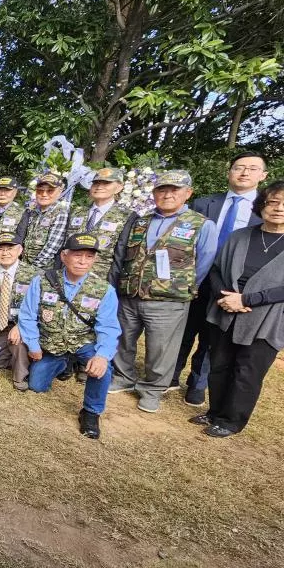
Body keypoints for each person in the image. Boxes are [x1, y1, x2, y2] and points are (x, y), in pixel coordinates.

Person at [111, 170, 217, 413]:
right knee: (123, 339)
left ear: (188, 193)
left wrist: (180, 288)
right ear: (154, 192)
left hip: (168, 301)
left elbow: (204, 262)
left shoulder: (201, 224)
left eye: (174, 190)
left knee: (161, 347)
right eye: (162, 189)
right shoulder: (140, 221)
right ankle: (124, 376)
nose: (167, 194)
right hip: (131, 294)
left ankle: (152, 389)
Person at [191, 180, 284, 438]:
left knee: (247, 371)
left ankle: (231, 421)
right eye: (272, 202)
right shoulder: (240, 236)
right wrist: (225, 296)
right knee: (219, 364)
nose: (278, 208)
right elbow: (217, 268)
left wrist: (247, 300)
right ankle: (214, 412)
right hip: (225, 310)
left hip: (266, 319)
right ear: (261, 205)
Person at [173, 151, 268, 406]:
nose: (244, 173)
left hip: (232, 286)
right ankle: (170, 375)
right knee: (182, 329)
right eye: (239, 167)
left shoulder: (264, 212)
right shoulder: (204, 204)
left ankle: (197, 383)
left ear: (263, 175)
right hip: (194, 277)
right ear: (229, 172)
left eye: (252, 168)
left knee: (212, 336)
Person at [19, 233, 122, 439]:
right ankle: (65, 364)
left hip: (83, 343)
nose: (83, 261)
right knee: (36, 385)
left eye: (89, 257)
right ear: (64, 256)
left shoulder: (104, 290)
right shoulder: (43, 281)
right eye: (77, 255)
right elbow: (27, 315)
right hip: (53, 344)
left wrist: (102, 355)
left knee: (103, 368)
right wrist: (33, 345)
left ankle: (91, 412)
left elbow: (109, 328)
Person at [0, 233, 36, 391]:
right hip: (1, 326)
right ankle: (15, 354)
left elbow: (39, 308)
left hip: (25, 324)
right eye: (0, 249)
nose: (5, 253)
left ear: (20, 250)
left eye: (10, 248)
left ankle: (20, 377)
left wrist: (21, 326)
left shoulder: (34, 275)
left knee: (17, 342)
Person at [64, 166, 136, 285]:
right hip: (68, 277)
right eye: (96, 183)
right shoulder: (76, 212)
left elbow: (121, 256)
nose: (99, 187)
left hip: (99, 281)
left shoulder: (127, 216)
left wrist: (111, 285)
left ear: (119, 187)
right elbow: (64, 246)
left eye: (106, 183)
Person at [21, 172, 70, 269]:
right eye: (40, 191)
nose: (44, 194)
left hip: (42, 269)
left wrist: (32, 268)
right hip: (24, 265)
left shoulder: (60, 213)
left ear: (59, 191)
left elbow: (52, 247)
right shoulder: (32, 211)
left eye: (50, 191)